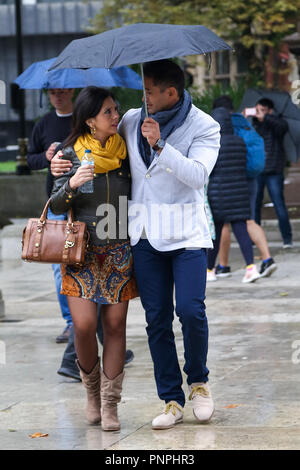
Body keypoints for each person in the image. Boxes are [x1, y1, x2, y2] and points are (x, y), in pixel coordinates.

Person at [51, 60, 220, 430]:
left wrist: (160, 143)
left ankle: (199, 383)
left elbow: (197, 177)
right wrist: (58, 162)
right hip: (141, 238)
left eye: (148, 90)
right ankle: (171, 399)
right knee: (156, 321)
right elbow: (82, 142)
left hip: (185, 235)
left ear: (170, 93)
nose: (141, 97)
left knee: (191, 311)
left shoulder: (205, 126)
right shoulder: (129, 119)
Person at [50, 86, 138, 431]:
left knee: (115, 327)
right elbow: (56, 204)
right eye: (108, 112)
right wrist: (71, 183)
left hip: (119, 250)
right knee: (85, 327)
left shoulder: (127, 153)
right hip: (81, 253)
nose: (116, 116)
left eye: (115, 110)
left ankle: (110, 404)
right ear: (90, 120)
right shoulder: (70, 153)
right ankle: (91, 393)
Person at [211, 96, 277, 279]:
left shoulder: (220, 124)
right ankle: (265, 258)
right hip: (250, 179)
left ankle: (224, 265)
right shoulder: (243, 122)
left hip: (229, 181)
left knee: (224, 221)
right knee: (247, 220)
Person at [27, 88, 74, 343]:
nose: (57, 96)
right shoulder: (43, 124)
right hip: (56, 204)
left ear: (72, 91)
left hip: (84, 201)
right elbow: (29, 158)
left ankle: (88, 321)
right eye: (52, 92)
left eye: (62, 91)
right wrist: (45, 158)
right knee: (59, 266)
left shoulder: (84, 119)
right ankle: (71, 322)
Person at [206, 105, 260, 284]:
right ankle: (251, 268)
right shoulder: (239, 141)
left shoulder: (213, 142)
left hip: (218, 193)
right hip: (239, 193)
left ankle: (210, 270)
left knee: (216, 234)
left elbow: (209, 170)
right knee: (241, 230)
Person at [253, 98, 293, 249]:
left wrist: (267, 118)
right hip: (257, 170)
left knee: (278, 204)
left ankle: (287, 239)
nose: (259, 113)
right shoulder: (254, 124)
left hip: (274, 171)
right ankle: (255, 239)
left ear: (270, 111)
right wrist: (246, 118)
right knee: (254, 205)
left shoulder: (278, 123)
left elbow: (283, 128)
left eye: (262, 110)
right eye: (257, 110)